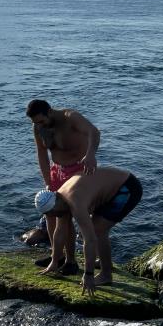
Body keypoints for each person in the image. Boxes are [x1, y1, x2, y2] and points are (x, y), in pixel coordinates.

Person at [34, 167, 143, 295]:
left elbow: (90, 240)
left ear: (55, 204)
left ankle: (106, 275)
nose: (55, 215)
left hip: (127, 188)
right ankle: (106, 265)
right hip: (111, 187)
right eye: (51, 215)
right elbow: (60, 232)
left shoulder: (75, 202)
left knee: (97, 231)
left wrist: (88, 274)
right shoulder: (59, 199)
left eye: (54, 213)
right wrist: (55, 260)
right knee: (96, 229)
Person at [26, 99, 101, 273]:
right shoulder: (38, 127)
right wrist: (48, 181)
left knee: (66, 217)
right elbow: (42, 155)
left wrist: (91, 154)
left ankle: (71, 261)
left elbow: (94, 132)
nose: (39, 125)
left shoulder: (70, 117)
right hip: (57, 172)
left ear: (49, 112)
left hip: (79, 171)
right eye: (35, 123)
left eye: (41, 121)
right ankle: (57, 257)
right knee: (50, 214)